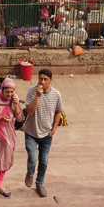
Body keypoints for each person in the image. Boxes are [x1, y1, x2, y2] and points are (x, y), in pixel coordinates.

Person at [24, 69, 64, 198]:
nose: (42, 82)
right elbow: (29, 111)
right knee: (33, 158)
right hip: (31, 131)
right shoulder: (32, 91)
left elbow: (58, 111)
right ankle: (30, 173)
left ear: (51, 80)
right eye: (40, 79)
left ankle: (40, 183)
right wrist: (37, 96)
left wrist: (53, 130)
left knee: (44, 160)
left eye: (45, 79)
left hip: (46, 134)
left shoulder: (56, 94)